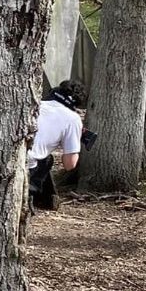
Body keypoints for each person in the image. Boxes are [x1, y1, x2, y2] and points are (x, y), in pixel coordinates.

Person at [27, 79, 93, 211]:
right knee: (46, 160)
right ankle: (31, 194)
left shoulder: (36, 104)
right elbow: (70, 165)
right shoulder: (73, 119)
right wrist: (70, 140)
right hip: (27, 164)